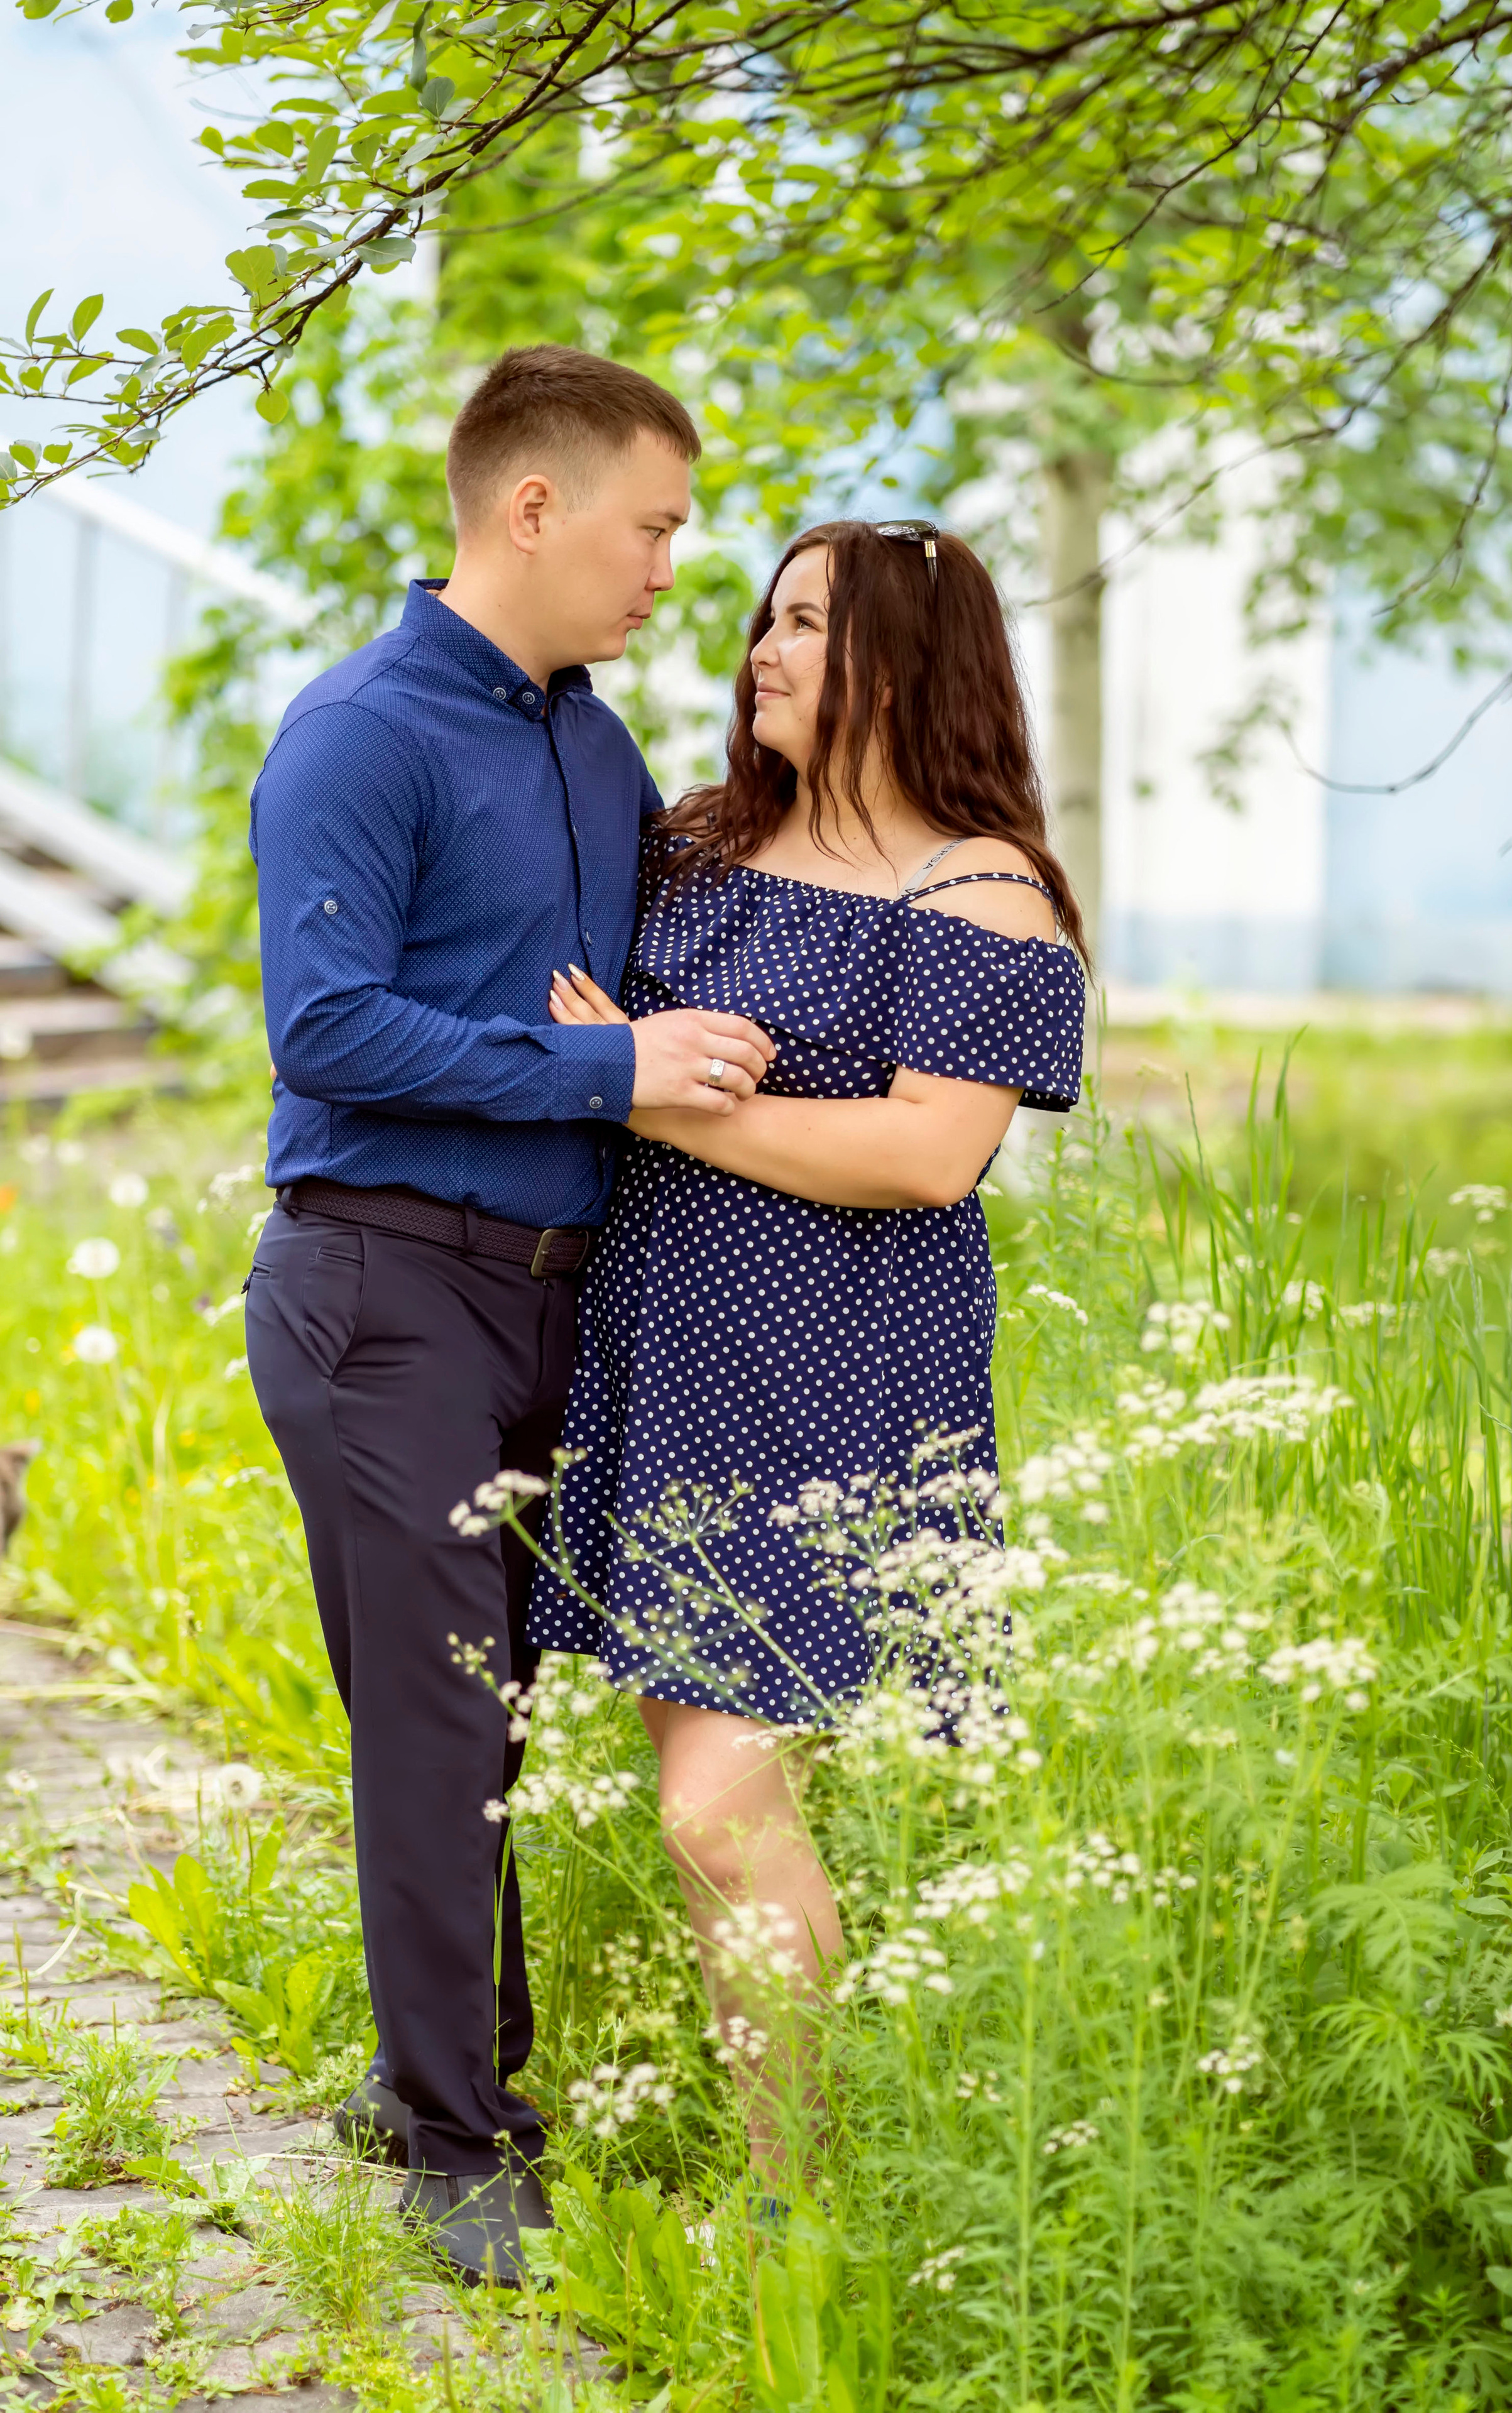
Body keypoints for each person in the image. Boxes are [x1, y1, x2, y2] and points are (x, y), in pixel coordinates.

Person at [243, 345, 775, 2285]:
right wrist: (604, 1074)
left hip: (561, 1297)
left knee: (498, 1713)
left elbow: (649, 976)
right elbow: (327, 1030)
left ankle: (432, 2079)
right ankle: (461, 2141)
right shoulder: (360, 734)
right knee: (445, 1725)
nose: (666, 570)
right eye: (652, 526)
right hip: (380, 1290)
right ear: (532, 508)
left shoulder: (593, 742)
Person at [530, 518, 1087, 2204]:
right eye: (763, 619)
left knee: (722, 1806)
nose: (761, 651)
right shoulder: (698, 845)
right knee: (706, 1798)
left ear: (909, 666)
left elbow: (930, 1157)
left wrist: (660, 1090)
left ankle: (797, 2207)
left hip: (839, 1380)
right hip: (663, 1353)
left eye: (807, 626)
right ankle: (798, 2173)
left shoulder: (982, 886)